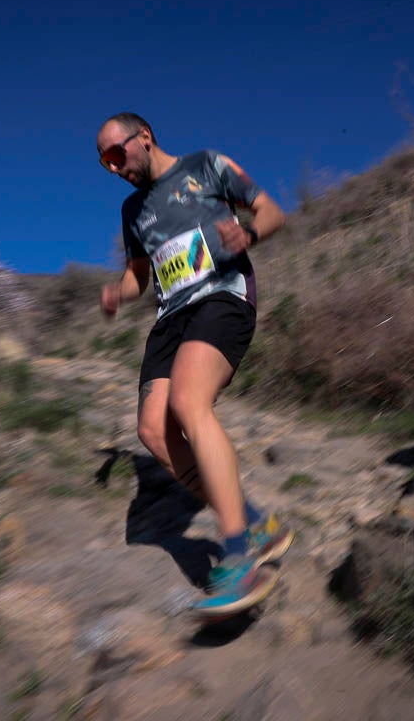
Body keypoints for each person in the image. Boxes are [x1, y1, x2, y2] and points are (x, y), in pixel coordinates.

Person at [96, 111, 294, 615]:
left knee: (188, 402)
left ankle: (237, 557)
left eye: (116, 155)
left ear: (144, 138)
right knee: (153, 431)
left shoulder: (206, 167)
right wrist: (118, 293)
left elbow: (271, 211)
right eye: (104, 163)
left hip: (222, 295)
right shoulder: (132, 210)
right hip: (171, 316)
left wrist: (249, 235)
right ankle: (254, 521)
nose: (114, 168)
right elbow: (140, 274)